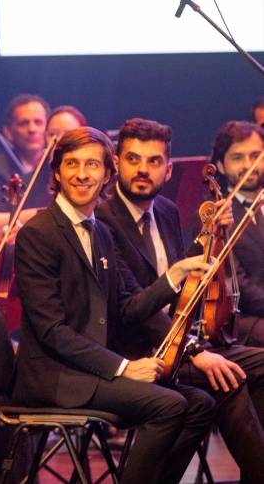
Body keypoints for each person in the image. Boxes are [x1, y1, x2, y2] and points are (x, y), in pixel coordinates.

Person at [13, 127, 215, 484]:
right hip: (56, 377)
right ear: (57, 172)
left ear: (107, 174)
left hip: (87, 370)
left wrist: (175, 275)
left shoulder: (100, 232)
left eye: (92, 165)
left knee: (200, 404)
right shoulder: (38, 233)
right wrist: (123, 366)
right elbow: (52, 331)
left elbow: (126, 306)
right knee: (168, 406)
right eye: (71, 163)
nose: (81, 174)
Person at [97, 118, 264, 482]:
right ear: (115, 164)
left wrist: (213, 237)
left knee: (258, 366)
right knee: (228, 381)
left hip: (179, 342)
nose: (143, 169)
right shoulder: (103, 222)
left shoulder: (167, 213)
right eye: (133, 159)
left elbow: (185, 284)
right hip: (134, 351)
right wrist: (193, 348)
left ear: (168, 170)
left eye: (154, 161)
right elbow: (132, 308)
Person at [210, 121, 264, 347]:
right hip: (245, 319)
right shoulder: (217, 217)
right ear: (220, 165)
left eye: (256, 156)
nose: (248, 165)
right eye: (237, 157)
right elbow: (237, 285)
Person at [0, 93, 51, 208]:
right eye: (23, 123)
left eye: (38, 122)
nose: (32, 129)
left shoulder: (57, 165)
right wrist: (47, 214)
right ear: (8, 132)